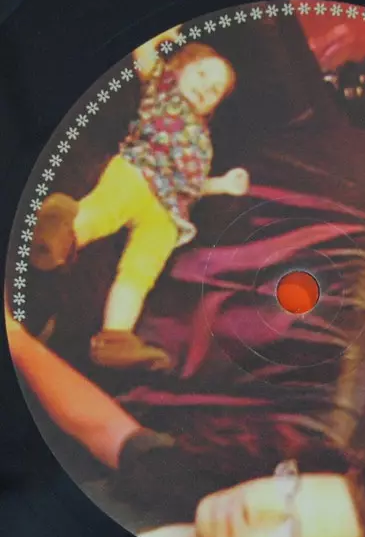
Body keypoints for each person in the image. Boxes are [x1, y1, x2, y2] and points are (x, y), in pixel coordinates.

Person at [5, 309, 365, 537]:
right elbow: (106, 430)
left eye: (287, 534)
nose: (255, 508)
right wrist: (16, 338)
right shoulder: (194, 487)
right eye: (289, 483)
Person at [29, 24, 250, 372]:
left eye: (214, 90)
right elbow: (144, 56)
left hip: (169, 212)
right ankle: (56, 236)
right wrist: (158, 36)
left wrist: (222, 184)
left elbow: (192, 184)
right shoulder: (165, 90)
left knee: (140, 271)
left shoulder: (203, 140)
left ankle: (115, 337)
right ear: (179, 67)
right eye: (202, 74)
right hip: (137, 173)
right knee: (104, 212)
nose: (206, 87)